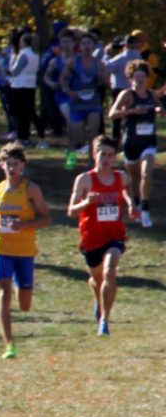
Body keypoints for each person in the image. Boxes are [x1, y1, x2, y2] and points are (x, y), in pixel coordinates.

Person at [0, 144, 51, 358]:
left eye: (15, 164)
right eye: (8, 164)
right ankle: (9, 344)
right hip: (2, 249)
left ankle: (20, 285)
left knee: (25, 305)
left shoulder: (31, 189)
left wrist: (24, 225)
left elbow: (46, 218)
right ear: (1, 166)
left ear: (22, 166)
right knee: (3, 293)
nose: (11, 168)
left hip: (25, 251)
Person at [67, 135, 138, 336]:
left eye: (110, 155)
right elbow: (71, 211)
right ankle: (99, 300)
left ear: (114, 157)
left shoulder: (121, 177)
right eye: (102, 154)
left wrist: (131, 204)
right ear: (94, 154)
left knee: (110, 271)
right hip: (91, 238)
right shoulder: (85, 179)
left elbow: (125, 191)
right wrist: (86, 203)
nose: (106, 159)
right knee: (97, 280)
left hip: (114, 236)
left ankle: (104, 321)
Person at [108, 59, 160, 228]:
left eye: (142, 76)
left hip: (148, 142)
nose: (139, 79)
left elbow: (160, 108)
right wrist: (131, 111)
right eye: (136, 76)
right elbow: (112, 114)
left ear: (147, 78)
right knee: (134, 178)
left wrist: (160, 110)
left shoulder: (152, 94)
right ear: (131, 78)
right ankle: (136, 205)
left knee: (146, 174)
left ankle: (145, 210)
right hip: (131, 142)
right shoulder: (127, 95)